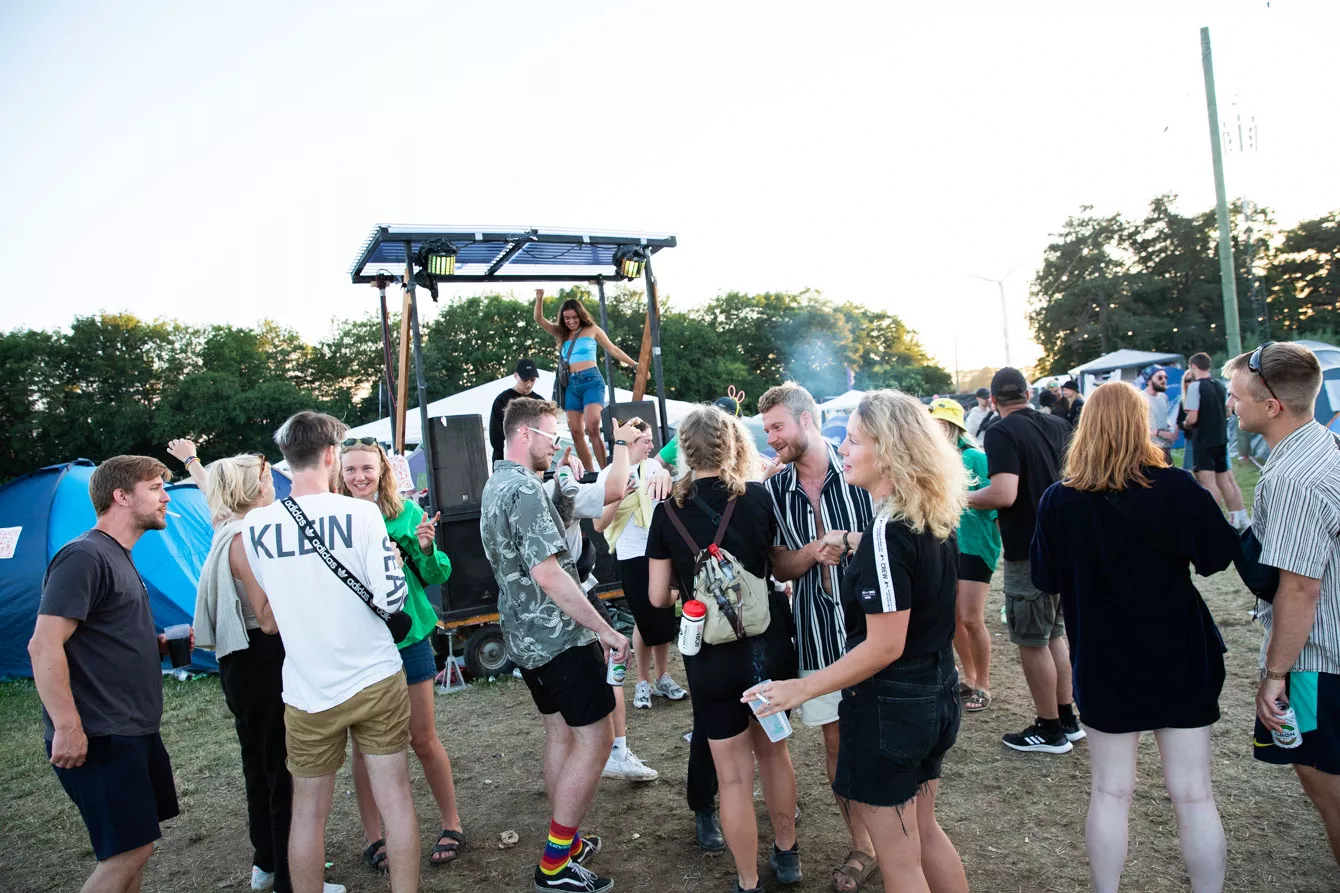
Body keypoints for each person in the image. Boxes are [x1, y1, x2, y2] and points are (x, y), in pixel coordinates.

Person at [745, 389, 969, 893]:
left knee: (901, 860)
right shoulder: (928, 513)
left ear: (888, 450)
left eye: (853, 440)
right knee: (925, 832)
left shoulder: (888, 529)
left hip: (892, 706)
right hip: (934, 690)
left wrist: (800, 688)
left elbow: (885, 645)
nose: (842, 448)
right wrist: (849, 541)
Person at [1031, 382, 1237, 892]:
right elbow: (1216, 556)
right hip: (1178, 654)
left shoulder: (1060, 500)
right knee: (1193, 794)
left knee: (1110, 791)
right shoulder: (1176, 487)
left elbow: (1044, 577)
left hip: (1103, 657)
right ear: (1140, 425)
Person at [241, 411, 420, 893]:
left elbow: (270, 607)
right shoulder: (360, 514)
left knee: (307, 813)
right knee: (396, 799)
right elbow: (392, 600)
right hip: (374, 676)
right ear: (330, 455)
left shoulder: (255, 525)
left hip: (306, 687)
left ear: (286, 459)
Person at [647, 407, 801, 893]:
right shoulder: (757, 498)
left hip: (709, 655)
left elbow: (656, 597)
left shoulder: (666, 512)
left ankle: (748, 881)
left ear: (684, 451)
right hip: (766, 650)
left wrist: (693, 587)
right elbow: (777, 564)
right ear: (733, 445)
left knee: (732, 779)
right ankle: (787, 855)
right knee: (775, 757)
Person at [480, 397, 631, 893]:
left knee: (561, 736)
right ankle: (554, 864)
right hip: (559, 637)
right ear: (526, 435)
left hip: (527, 639)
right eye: (552, 436)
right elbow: (549, 574)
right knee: (597, 739)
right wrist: (606, 630)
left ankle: (567, 842)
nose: (558, 444)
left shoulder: (496, 483)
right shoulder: (524, 488)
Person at [192, 450, 348, 893]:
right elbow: (268, 618)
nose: (271, 486)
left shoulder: (225, 528)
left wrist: (192, 462)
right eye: (264, 479)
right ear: (251, 487)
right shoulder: (245, 537)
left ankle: (267, 862)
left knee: (258, 765)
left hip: (239, 662)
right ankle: (292, 879)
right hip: (262, 659)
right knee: (284, 770)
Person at [27, 456, 185, 893]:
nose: (166, 497)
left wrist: (153, 645)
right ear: (122, 496)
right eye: (155, 488)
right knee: (128, 853)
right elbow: (43, 644)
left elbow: (98, 634)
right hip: (100, 734)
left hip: (133, 728)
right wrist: (67, 727)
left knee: (133, 848)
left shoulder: (118, 555)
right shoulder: (84, 555)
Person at [758, 381, 878, 892]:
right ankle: (864, 846)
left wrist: (848, 542)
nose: (771, 439)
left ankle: (902, 836)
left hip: (875, 628)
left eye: (778, 427)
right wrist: (811, 552)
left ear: (806, 420)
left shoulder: (861, 468)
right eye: (766, 430)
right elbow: (778, 565)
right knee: (836, 742)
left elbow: (899, 540)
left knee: (886, 735)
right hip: (815, 630)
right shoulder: (774, 490)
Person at [1226, 342, 1340, 864]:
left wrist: (1275, 676)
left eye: (1237, 396)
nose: (1231, 405)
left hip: (1319, 662)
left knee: (1329, 793)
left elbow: (1300, 589)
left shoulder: (1293, 478)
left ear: (1271, 406)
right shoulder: (1324, 443)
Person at [336, 438, 465, 874]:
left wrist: (426, 548)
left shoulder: (405, 514)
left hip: (408, 637)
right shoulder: (333, 520)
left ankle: (451, 823)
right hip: (359, 643)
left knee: (422, 737)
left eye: (367, 468)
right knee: (363, 748)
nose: (359, 477)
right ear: (339, 472)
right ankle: (374, 838)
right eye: (351, 469)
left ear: (382, 471)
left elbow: (436, 574)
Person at [969, 367, 1082, 754]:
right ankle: (1067, 718)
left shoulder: (1000, 432)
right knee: (1055, 634)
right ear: (1028, 393)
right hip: (1064, 546)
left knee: (1033, 641)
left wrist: (959, 498)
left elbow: (1003, 494)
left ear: (992, 400)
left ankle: (1049, 729)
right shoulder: (1059, 425)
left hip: (1029, 550)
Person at [549, 432, 665, 784]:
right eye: (642, 439)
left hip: (563, 592)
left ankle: (601, 750)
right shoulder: (563, 488)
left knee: (579, 677)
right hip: (578, 589)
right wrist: (619, 445)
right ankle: (616, 752)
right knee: (612, 659)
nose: (649, 444)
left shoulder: (529, 489)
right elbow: (606, 505)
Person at [594, 417, 687, 710]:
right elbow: (599, 524)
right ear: (630, 443)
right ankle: (643, 682)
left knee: (663, 616)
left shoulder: (656, 469)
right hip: (631, 554)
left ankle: (662, 677)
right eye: (646, 441)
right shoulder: (609, 474)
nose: (651, 446)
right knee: (644, 618)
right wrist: (620, 496)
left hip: (660, 552)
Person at [929, 398, 1001, 713]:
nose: (936, 430)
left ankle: (983, 684)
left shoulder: (975, 457)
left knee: (972, 618)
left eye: (941, 424)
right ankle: (969, 677)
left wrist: (952, 497)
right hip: (947, 544)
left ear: (954, 426)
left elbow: (996, 501)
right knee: (953, 617)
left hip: (975, 545)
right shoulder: (936, 461)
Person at [534, 289, 639, 472]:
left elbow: (613, 349)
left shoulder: (592, 330)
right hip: (571, 385)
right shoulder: (562, 333)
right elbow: (539, 319)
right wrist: (539, 298)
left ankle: (606, 471)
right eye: (567, 318)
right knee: (575, 431)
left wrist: (634, 364)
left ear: (580, 315)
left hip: (591, 382)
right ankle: (590, 473)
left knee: (592, 426)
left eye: (574, 317)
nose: (571, 321)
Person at [1184, 352, 1249, 530]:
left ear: (1193, 366)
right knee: (1225, 481)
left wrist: (1185, 423)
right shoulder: (1219, 385)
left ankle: (1213, 522)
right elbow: (1228, 411)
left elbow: (1192, 418)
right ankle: (1238, 518)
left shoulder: (1195, 387)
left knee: (1208, 483)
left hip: (1203, 441)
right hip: (1221, 439)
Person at [657, 393, 743, 472]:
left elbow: (658, 462)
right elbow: (657, 463)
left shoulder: (687, 435)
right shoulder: (686, 436)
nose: (717, 424)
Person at [489, 358, 544, 463]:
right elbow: (496, 436)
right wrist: (499, 463)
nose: (529, 384)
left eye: (532, 380)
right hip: (510, 458)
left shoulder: (540, 401)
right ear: (515, 376)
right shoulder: (502, 400)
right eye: (524, 379)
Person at [1143, 367, 1178, 464]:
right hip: (1151, 448)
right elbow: (1138, 427)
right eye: (1160, 377)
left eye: (1165, 377)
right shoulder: (1141, 398)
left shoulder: (1163, 397)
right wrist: (1160, 433)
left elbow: (1164, 419)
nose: (1164, 380)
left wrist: (1171, 430)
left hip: (1166, 447)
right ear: (1149, 381)